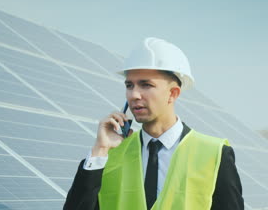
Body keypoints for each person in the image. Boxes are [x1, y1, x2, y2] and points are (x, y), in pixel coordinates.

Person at [63, 37, 244, 210]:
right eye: (129, 85)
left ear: (173, 94)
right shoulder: (109, 155)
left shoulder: (214, 154)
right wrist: (99, 151)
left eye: (146, 85)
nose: (134, 95)